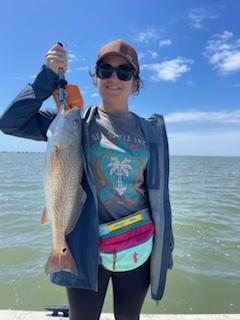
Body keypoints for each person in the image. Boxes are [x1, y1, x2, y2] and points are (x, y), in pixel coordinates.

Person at [0, 39, 174, 320]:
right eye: (105, 70)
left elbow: (160, 197)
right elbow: (11, 122)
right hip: (85, 246)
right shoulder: (74, 121)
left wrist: (166, 249)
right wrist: (47, 76)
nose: (114, 78)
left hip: (138, 246)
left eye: (124, 73)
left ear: (135, 82)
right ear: (96, 77)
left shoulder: (151, 132)